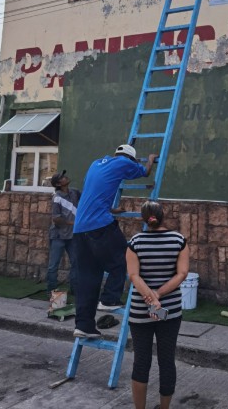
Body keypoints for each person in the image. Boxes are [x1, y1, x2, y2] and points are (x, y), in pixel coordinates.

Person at [72, 144, 158, 339]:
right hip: (100, 225)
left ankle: (84, 325)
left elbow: (94, 194)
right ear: (130, 158)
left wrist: (111, 209)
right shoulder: (124, 162)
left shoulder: (96, 164)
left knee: (87, 278)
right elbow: (145, 172)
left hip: (79, 229)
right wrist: (151, 159)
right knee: (125, 258)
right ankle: (110, 299)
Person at [126, 200, 189, 409]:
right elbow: (182, 274)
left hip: (140, 310)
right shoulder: (179, 240)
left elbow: (134, 276)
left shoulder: (135, 242)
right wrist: (158, 295)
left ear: (144, 219)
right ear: (163, 215)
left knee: (141, 361)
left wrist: (151, 298)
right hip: (169, 311)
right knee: (167, 360)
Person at [46, 169, 79, 298]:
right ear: (58, 184)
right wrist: (73, 223)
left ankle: (74, 289)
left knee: (76, 262)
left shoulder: (74, 192)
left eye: (64, 175)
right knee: (53, 265)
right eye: (62, 177)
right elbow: (56, 219)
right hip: (58, 236)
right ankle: (51, 291)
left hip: (72, 236)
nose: (65, 177)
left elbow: (88, 199)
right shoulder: (57, 198)